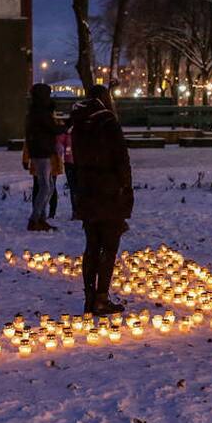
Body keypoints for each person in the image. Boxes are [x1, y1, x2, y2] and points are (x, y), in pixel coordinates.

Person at [71, 84, 133, 314]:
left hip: (87, 191)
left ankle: (89, 297)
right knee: (109, 247)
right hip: (109, 193)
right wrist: (125, 189)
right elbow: (121, 160)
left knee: (91, 246)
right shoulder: (108, 124)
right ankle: (100, 298)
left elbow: (75, 160)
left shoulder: (78, 125)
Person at [24, 83, 66, 231]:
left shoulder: (37, 112)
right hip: (41, 152)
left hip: (42, 151)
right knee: (45, 187)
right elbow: (53, 129)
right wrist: (69, 123)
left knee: (48, 186)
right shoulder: (40, 113)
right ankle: (35, 218)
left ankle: (40, 217)